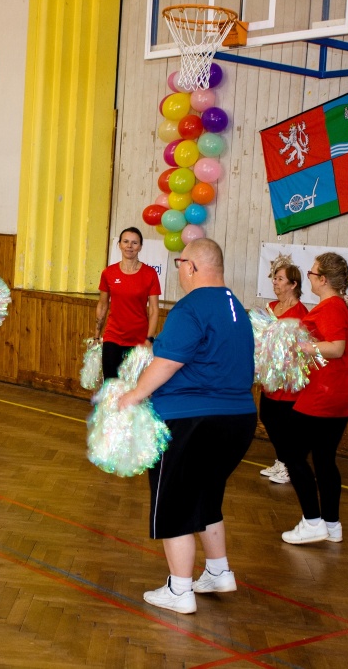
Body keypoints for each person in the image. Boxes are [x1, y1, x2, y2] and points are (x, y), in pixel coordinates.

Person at [118, 238, 257, 614]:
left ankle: (179, 590)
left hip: (191, 421)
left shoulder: (191, 306)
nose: (179, 271)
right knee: (205, 495)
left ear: (191, 267)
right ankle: (218, 571)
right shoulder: (235, 307)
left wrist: (134, 394)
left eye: (180, 264)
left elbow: (168, 362)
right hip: (238, 421)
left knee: (175, 502)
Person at [279, 252, 348, 545]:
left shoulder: (333, 307)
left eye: (312, 273)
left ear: (323, 279)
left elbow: (336, 348)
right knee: (324, 459)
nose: (309, 277)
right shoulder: (337, 305)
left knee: (291, 455)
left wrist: (303, 347)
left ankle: (312, 521)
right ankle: (332, 525)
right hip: (336, 392)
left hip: (324, 394)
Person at [258, 256, 309, 485]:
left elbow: (302, 347)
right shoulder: (270, 307)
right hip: (269, 374)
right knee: (267, 417)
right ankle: (282, 460)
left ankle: (290, 465)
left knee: (284, 423)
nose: (275, 283)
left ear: (293, 284)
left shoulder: (301, 313)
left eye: (280, 279)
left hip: (288, 377)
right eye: (274, 278)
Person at [95, 228, 161, 379]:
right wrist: (97, 336)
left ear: (140, 246)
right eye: (125, 241)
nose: (129, 246)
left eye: (134, 243)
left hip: (139, 338)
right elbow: (102, 305)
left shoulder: (150, 274)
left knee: (134, 384)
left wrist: (149, 338)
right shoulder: (108, 273)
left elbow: (154, 310)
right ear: (119, 244)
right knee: (110, 383)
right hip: (113, 336)